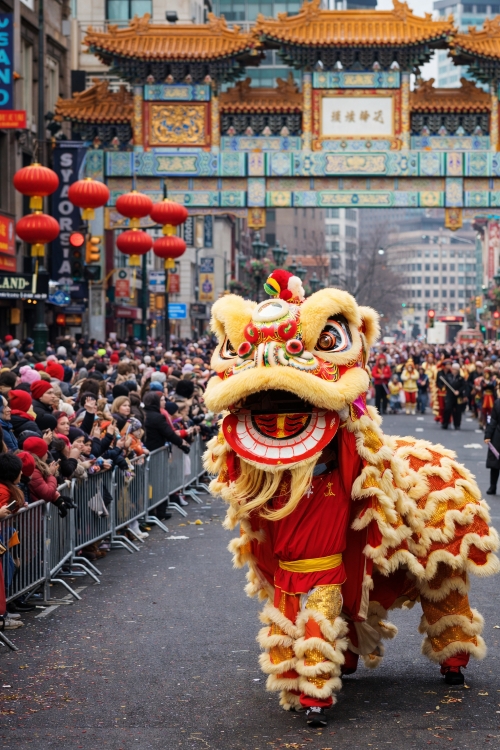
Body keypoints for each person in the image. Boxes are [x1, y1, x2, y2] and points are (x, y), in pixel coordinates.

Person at [441, 362, 466, 430]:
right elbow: (442, 383)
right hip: (450, 395)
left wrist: (459, 391)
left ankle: (457, 424)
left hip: (458, 396)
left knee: (458, 411)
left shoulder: (461, 378)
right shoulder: (448, 377)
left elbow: (464, 386)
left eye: (456, 369)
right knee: (447, 409)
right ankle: (445, 423)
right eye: (453, 369)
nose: (454, 371)